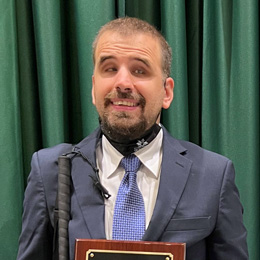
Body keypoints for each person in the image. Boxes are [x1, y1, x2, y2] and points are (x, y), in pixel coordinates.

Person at [17, 17, 248, 260]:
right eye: (110, 69)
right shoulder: (49, 170)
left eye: (140, 70)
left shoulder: (214, 175)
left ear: (167, 92)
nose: (123, 83)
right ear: (94, 88)